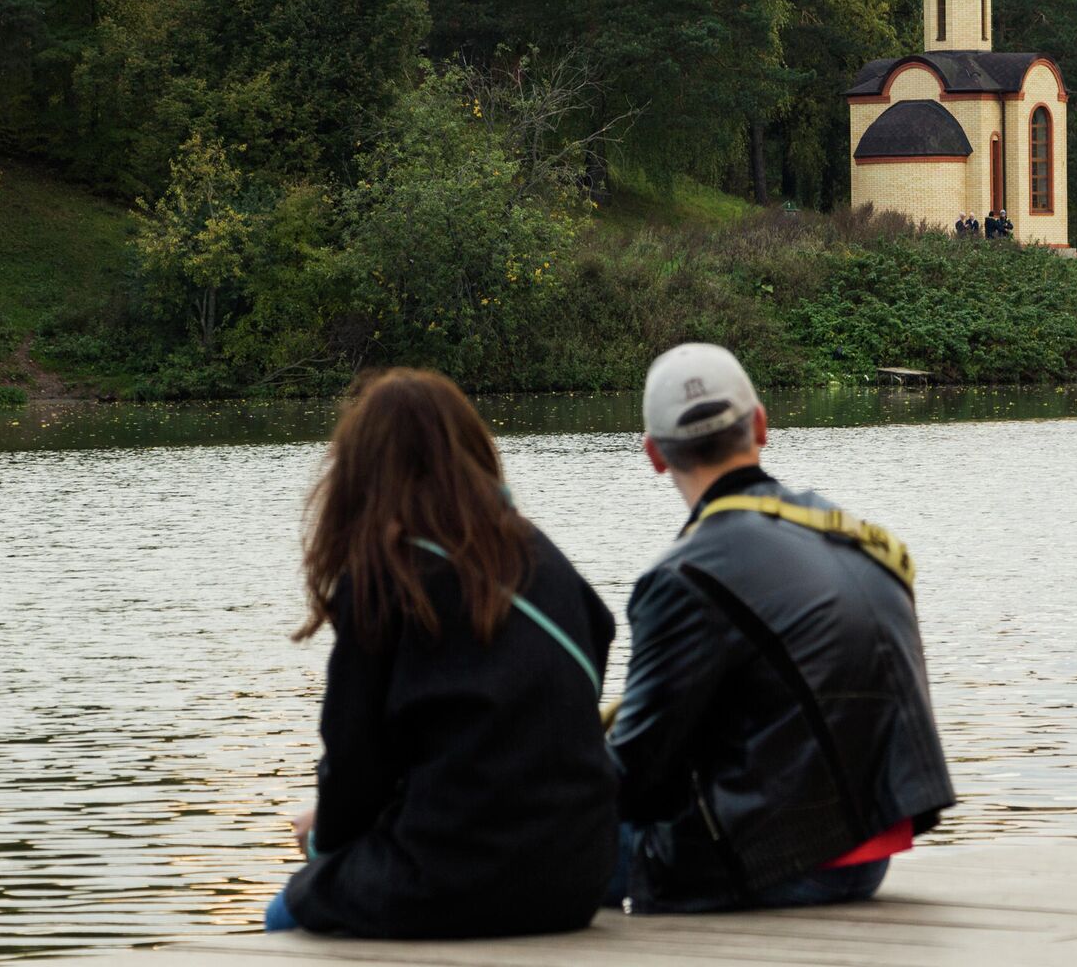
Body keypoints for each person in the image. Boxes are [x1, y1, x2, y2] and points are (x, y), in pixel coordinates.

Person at [606, 343, 955, 914]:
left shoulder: (683, 575)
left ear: (654, 455)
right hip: (866, 856)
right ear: (761, 424)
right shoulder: (853, 535)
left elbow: (634, 775)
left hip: (773, 867)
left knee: (538, 833)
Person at [269, 368, 617, 938]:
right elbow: (596, 639)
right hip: (578, 875)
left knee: (287, 911)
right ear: (471, 452)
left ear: (364, 476)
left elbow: (354, 758)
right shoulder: (539, 555)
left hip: (454, 877)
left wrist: (326, 843)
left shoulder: (386, 577)